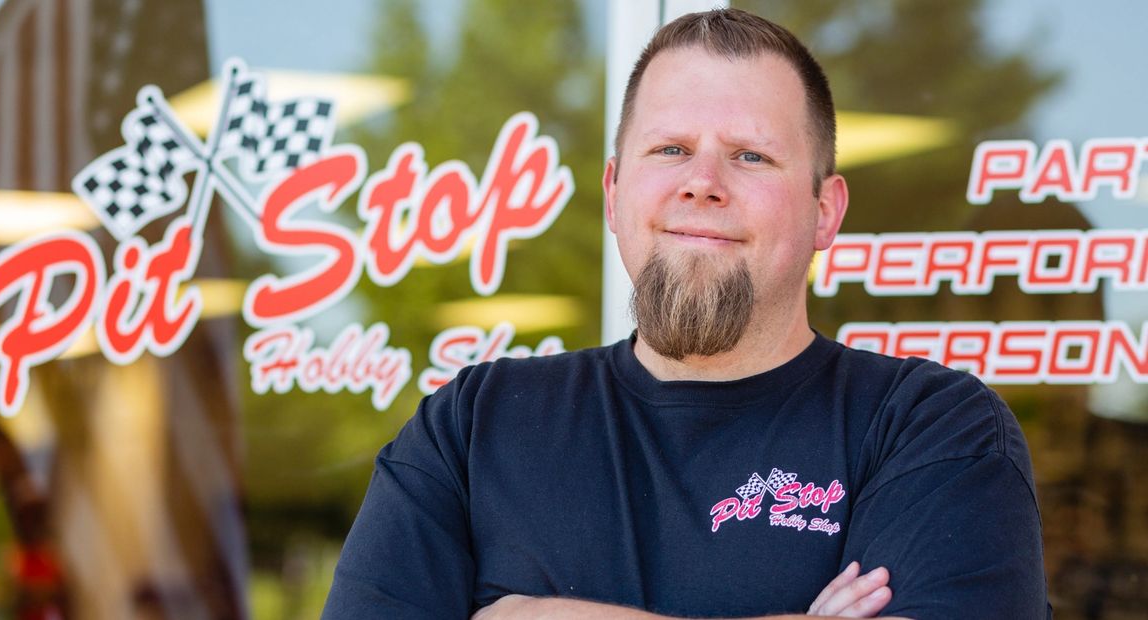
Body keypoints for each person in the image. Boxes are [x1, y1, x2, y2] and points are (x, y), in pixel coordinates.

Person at [322, 8, 1050, 620]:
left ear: (825, 211)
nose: (702, 183)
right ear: (613, 193)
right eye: (670, 148)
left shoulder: (930, 428)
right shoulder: (473, 428)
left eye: (751, 157)